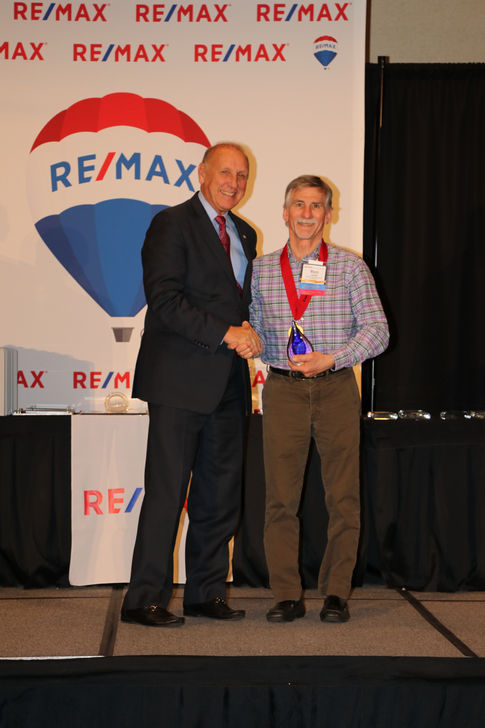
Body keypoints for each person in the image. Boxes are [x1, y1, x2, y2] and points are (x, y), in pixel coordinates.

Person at [121, 142, 261, 627]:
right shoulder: (171, 223)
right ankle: (144, 599)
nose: (234, 183)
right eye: (225, 172)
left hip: (229, 383)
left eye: (241, 175)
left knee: (219, 497)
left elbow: (242, 305)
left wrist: (256, 334)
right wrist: (227, 334)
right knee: (166, 495)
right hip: (178, 381)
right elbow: (164, 300)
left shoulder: (245, 232)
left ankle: (206, 593)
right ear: (202, 173)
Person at [249, 175, 389, 623]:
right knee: (280, 500)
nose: (307, 214)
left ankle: (336, 592)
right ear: (285, 212)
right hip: (283, 390)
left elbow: (378, 331)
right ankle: (286, 594)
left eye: (315, 206)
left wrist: (333, 358)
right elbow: (254, 326)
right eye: (299, 205)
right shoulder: (261, 270)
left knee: (343, 497)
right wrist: (250, 340)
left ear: (329, 214)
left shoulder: (350, 267)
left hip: (336, 388)